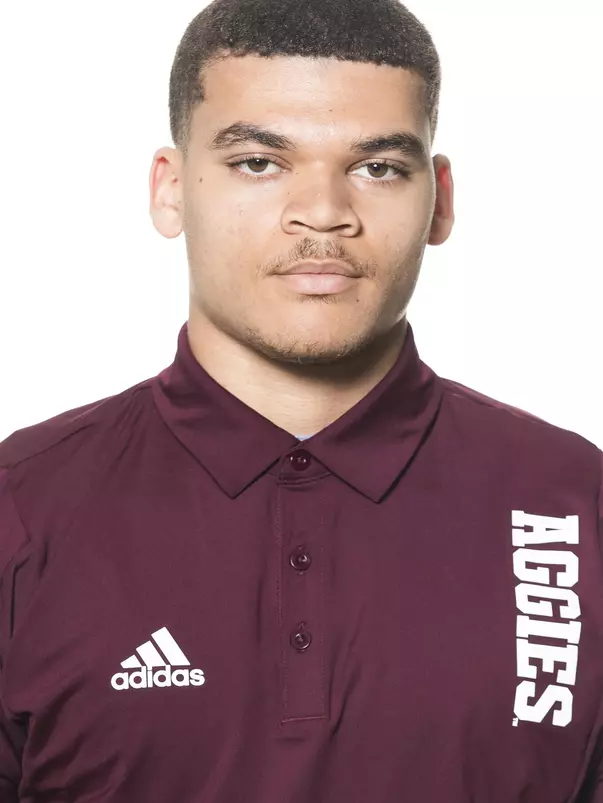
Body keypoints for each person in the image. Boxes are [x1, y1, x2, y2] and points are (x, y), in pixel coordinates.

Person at [1, 0, 601, 800]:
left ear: (439, 198)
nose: (321, 213)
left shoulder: (573, 500)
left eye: (377, 166)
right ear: (171, 189)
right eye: (259, 161)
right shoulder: (22, 505)